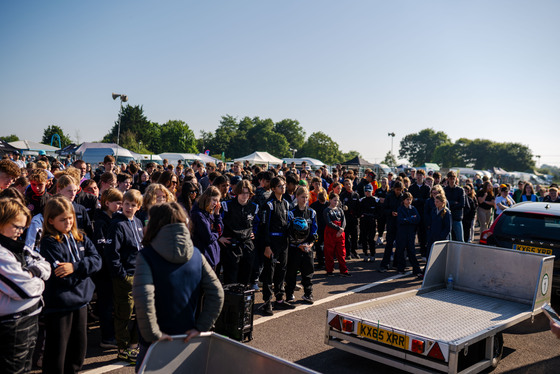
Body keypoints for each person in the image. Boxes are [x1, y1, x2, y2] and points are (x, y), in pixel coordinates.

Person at [132, 202, 224, 371]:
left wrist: (153, 335)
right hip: (186, 336)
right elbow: (217, 292)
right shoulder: (196, 254)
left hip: (155, 343)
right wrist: (201, 327)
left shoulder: (146, 256)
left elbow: (144, 298)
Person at [40, 196, 102, 374]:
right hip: (59, 307)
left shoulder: (80, 237)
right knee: (57, 354)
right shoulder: (49, 242)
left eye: (70, 218)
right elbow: (61, 276)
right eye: (62, 219)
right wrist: (85, 271)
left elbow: (97, 261)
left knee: (78, 352)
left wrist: (75, 267)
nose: (68, 222)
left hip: (81, 303)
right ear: (51, 221)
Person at [0, 198, 50, 373]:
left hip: (30, 319)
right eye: (16, 226)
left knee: (25, 369)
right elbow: (23, 290)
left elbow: (45, 265)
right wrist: (38, 278)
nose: (20, 232)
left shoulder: (18, 247)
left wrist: (31, 273)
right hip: (12, 326)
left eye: (23, 228)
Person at [104, 190, 144, 363]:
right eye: (126, 203)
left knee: (140, 312)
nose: (129, 207)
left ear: (138, 207)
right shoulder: (117, 225)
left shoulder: (139, 222)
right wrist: (121, 275)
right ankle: (122, 348)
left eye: (133, 205)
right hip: (125, 277)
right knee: (124, 314)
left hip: (140, 275)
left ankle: (134, 346)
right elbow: (112, 254)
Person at [92, 188, 123, 349]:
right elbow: (102, 247)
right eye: (117, 203)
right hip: (105, 271)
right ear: (106, 203)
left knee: (112, 304)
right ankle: (107, 337)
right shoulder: (101, 222)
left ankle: (112, 334)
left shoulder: (116, 219)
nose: (120, 206)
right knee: (106, 304)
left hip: (113, 269)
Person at [260, 176, 294, 315]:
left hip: (284, 243)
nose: (283, 187)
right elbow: (264, 228)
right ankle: (267, 302)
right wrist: (267, 246)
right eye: (280, 186)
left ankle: (279, 299)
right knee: (269, 273)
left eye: (284, 185)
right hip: (272, 242)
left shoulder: (286, 204)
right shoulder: (268, 205)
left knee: (281, 271)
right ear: (273, 188)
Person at [219, 180, 259, 285]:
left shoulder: (254, 207)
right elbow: (217, 222)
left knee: (245, 278)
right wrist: (220, 237)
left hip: (247, 245)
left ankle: (242, 299)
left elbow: (257, 223)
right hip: (231, 245)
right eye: (242, 192)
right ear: (237, 192)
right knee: (231, 279)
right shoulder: (226, 205)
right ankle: (230, 300)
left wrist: (254, 232)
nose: (244, 195)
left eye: (247, 193)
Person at [285, 186, 318, 304]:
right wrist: (297, 244)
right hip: (294, 248)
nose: (304, 199)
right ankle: (289, 294)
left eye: (306, 197)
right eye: (302, 197)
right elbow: (288, 232)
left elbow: (314, 231)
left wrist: (309, 245)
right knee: (291, 272)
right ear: (297, 197)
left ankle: (308, 294)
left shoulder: (312, 213)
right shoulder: (291, 213)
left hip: (307, 248)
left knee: (308, 272)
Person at [190, 186, 223, 270]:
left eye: (217, 201)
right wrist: (217, 234)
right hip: (204, 256)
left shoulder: (208, 212)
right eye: (214, 200)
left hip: (212, 255)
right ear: (207, 198)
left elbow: (220, 228)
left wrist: (217, 215)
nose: (216, 204)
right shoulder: (199, 215)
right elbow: (208, 237)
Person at [379, 181, 404, 272]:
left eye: (400, 190)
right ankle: (385, 264)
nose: (398, 191)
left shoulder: (403, 197)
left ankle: (397, 264)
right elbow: (384, 209)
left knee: (399, 244)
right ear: (394, 189)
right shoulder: (389, 196)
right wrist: (391, 212)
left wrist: (399, 214)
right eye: (397, 190)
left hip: (400, 223)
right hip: (391, 223)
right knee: (389, 244)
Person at [395, 192, 422, 276]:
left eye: (410, 199)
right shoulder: (400, 209)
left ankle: (416, 269)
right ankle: (401, 268)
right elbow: (400, 220)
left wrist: (407, 220)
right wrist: (410, 219)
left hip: (410, 233)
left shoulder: (413, 208)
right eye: (407, 199)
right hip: (402, 233)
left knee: (411, 251)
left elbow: (417, 219)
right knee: (401, 250)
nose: (409, 201)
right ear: (403, 200)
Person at [323, 192, 350, 277]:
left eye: (337, 201)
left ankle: (343, 270)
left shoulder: (340, 210)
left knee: (341, 253)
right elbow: (328, 222)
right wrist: (339, 229)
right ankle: (329, 270)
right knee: (329, 253)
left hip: (340, 234)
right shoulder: (326, 210)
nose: (336, 202)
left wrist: (341, 229)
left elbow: (344, 221)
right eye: (334, 200)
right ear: (330, 200)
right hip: (330, 233)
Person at [426, 193, 452, 259]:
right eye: (435, 201)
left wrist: (441, 236)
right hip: (432, 237)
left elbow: (448, 228)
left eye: (437, 201)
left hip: (441, 238)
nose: (435, 203)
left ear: (443, 202)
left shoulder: (446, 212)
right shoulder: (434, 210)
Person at [339, 179, 360, 259]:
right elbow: (340, 206)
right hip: (346, 218)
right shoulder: (343, 195)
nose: (348, 185)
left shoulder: (356, 195)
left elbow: (359, 207)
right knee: (346, 236)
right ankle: (347, 252)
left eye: (349, 184)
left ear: (352, 184)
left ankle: (354, 251)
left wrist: (358, 215)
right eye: (346, 184)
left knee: (355, 236)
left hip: (354, 219)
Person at [443, 171, 465, 242]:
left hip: (457, 217)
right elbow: (444, 203)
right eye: (450, 178)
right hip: (447, 217)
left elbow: (462, 204)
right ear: (448, 179)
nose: (452, 180)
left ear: (456, 179)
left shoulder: (460, 190)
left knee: (460, 239)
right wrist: (453, 203)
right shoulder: (444, 190)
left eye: (453, 178)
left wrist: (450, 205)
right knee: (447, 239)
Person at [309, 190, 328, 270]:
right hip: (319, 228)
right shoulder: (315, 205)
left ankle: (324, 262)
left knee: (323, 246)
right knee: (319, 246)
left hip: (324, 228)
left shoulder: (327, 205)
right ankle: (322, 262)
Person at [358, 184, 377, 263]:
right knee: (364, 239)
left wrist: (374, 217)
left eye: (369, 191)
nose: (367, 192)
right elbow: (358, 211)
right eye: (366, 191)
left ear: (372, 191)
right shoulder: (361, 200)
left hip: (372, 222)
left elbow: (379, 212)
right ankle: (365, 254)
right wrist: (361, 215)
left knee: (371, 239)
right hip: (363, 222)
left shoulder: (376, 200)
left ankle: (372, 254)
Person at [374, 177, 389, 246]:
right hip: (380, 211)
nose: (384, 183)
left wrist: (385, 200)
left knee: (388, 225)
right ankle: (380, 237)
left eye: (385, 182)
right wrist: (379, 199)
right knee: (380, 225)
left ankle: (388, 238)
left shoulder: (389, 191)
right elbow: (375, 198)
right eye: (382, 182)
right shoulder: (378, 190)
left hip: (387, 210)